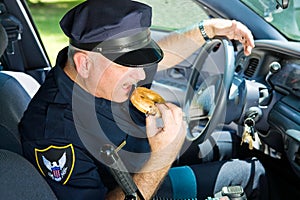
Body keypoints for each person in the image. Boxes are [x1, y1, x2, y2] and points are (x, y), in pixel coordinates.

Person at [19, 0, 267, 199]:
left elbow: (164, 55)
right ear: (84, 63)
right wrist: (162, 155)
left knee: (233, 142)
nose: (141, 75)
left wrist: (208, 30)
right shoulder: (52, 133)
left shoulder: (99, 71)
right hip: (141, 185)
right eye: (128, 64)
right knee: (251, 174)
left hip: (147, 154)